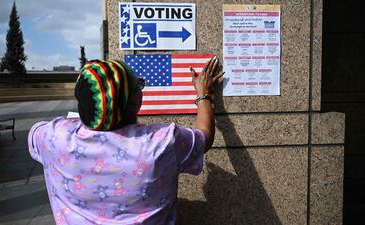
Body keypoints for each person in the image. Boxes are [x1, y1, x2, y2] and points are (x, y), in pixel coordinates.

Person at [28, 56, 223, 225]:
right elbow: (204, 137)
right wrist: (203, 94)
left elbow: (35, 132)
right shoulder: (161, 142)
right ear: (132, 103)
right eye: (138, 85)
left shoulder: (53, 137)